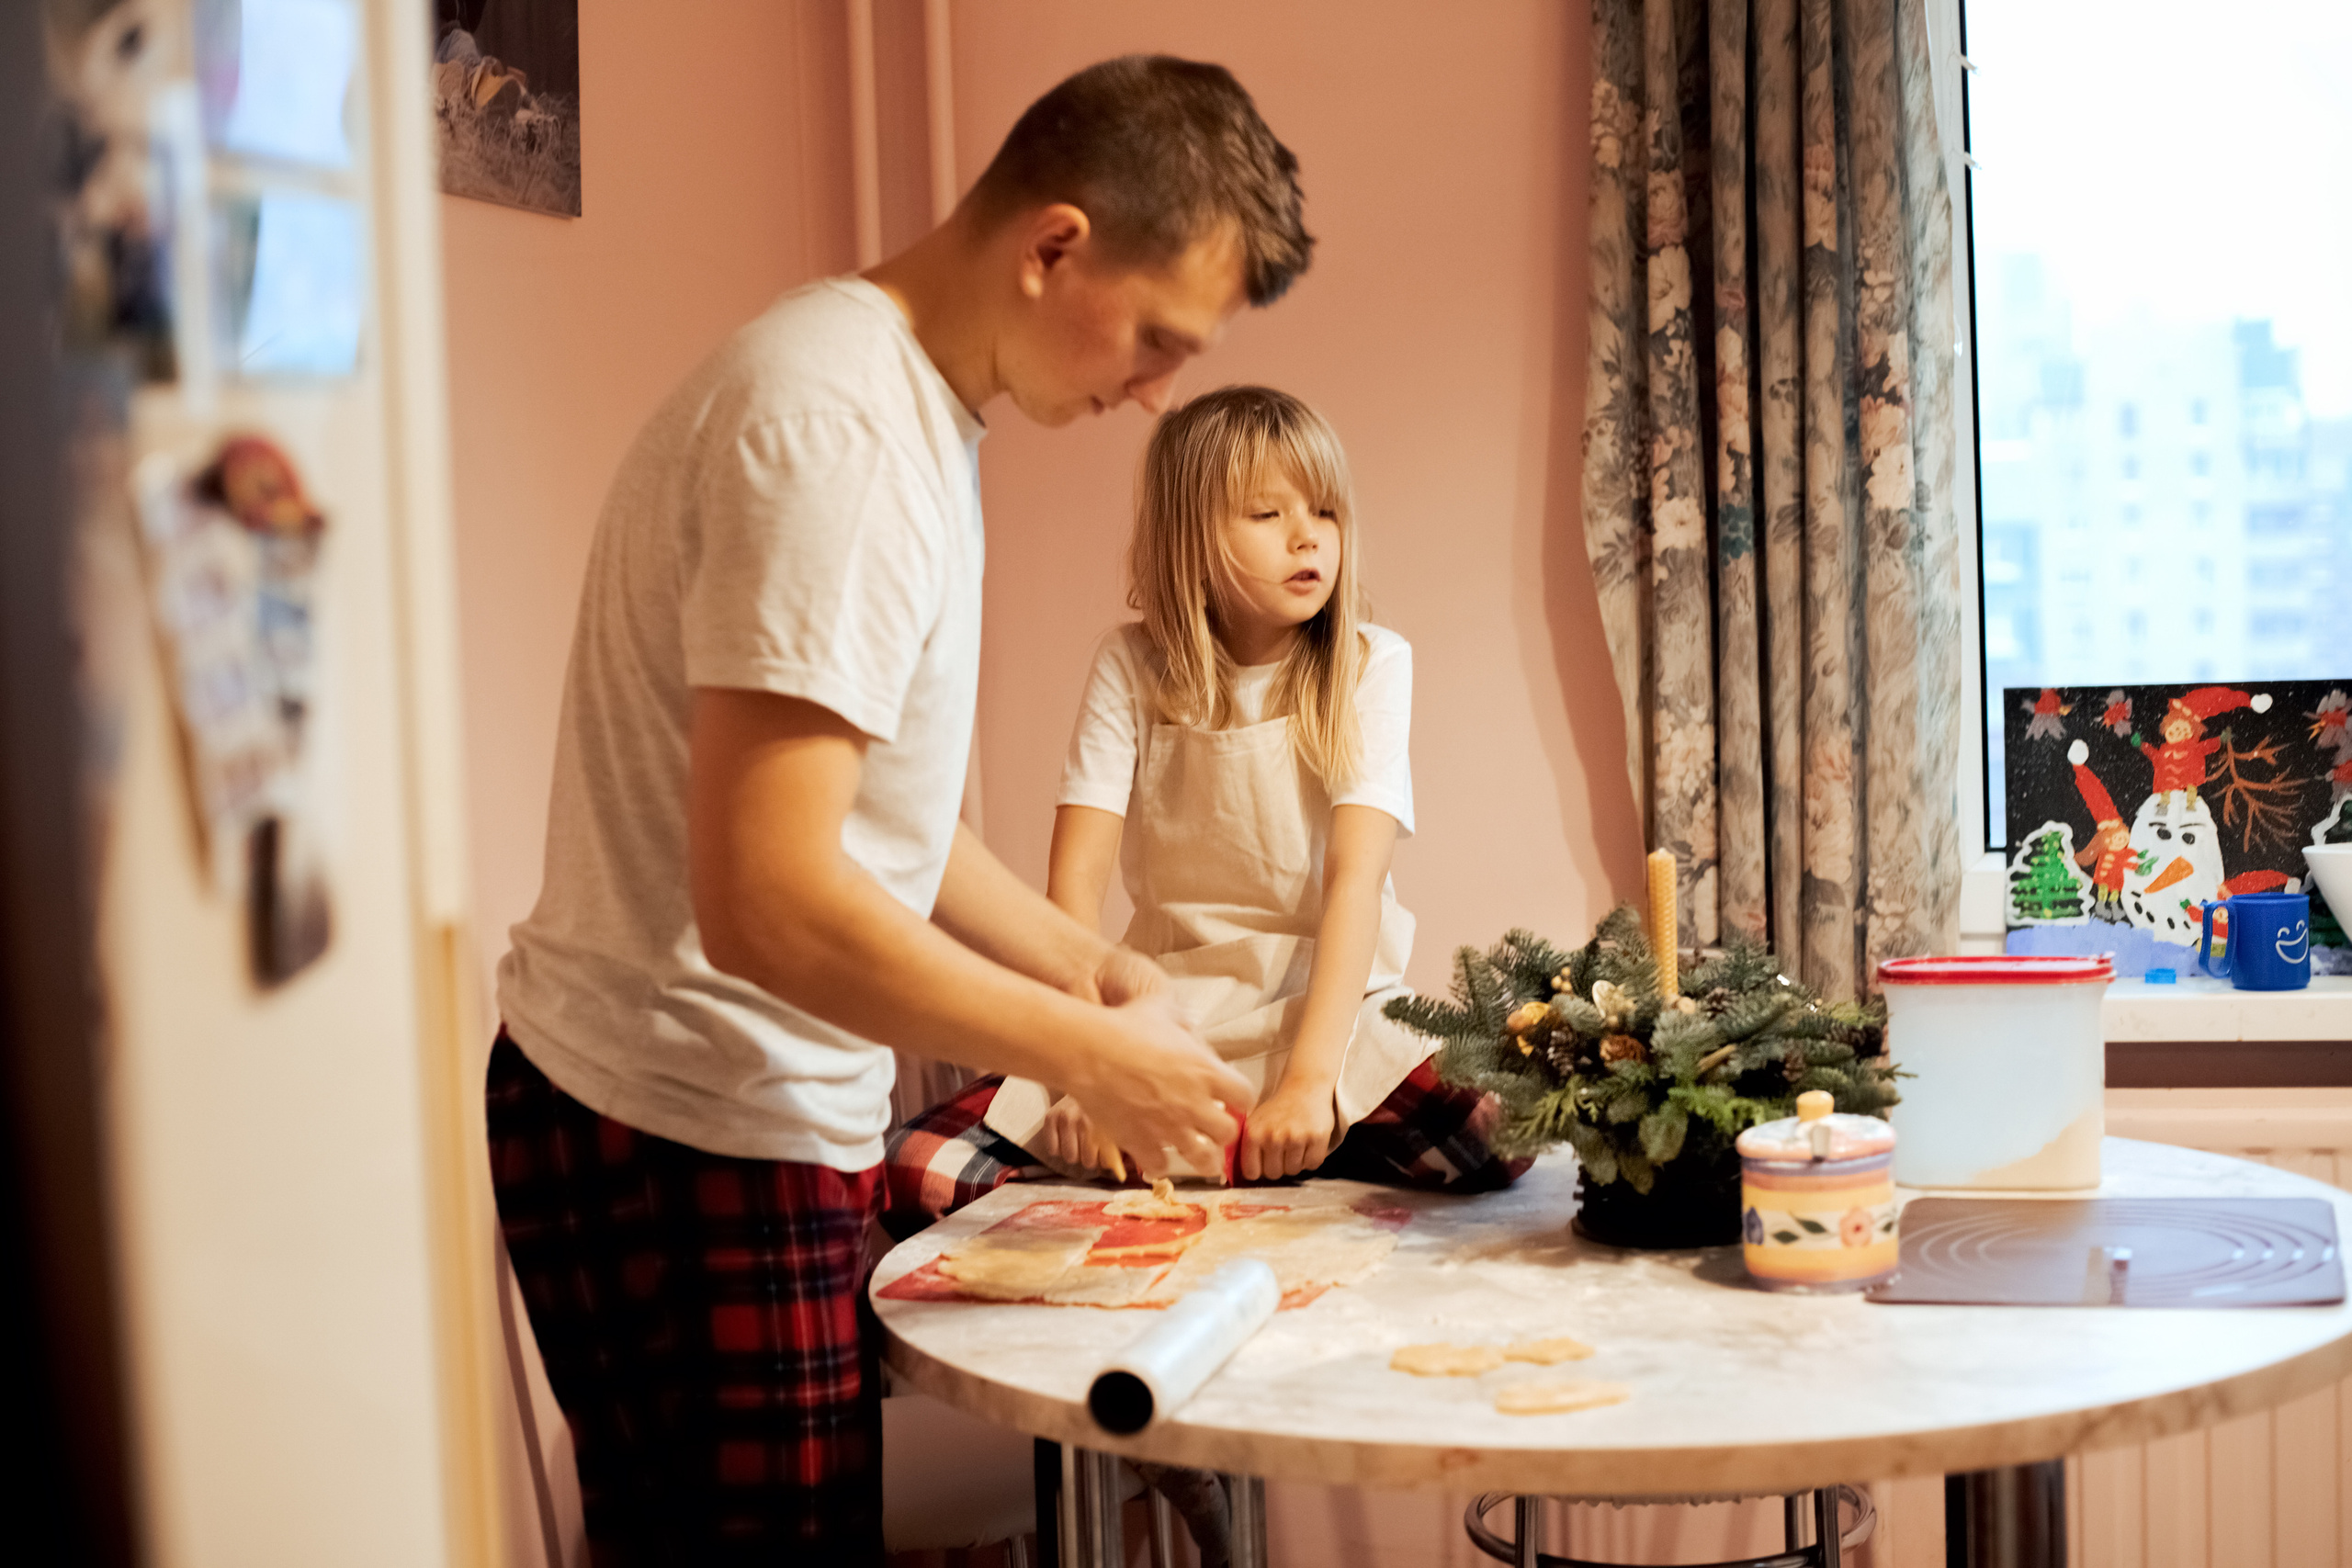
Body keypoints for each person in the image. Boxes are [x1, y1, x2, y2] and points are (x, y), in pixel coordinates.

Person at [485, 58, 1310, 1564]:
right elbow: (769, 898)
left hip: (696, 1100)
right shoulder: (844, 434)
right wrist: (1085, 1054)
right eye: (1155, 339)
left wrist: (1088, 967)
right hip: (679, 1107)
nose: (1152, 392)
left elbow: (878, 818)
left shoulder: (901, 407)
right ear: (1054, 246)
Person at [886, 386, 1527, 1235]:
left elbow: (1354, 881)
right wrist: (1086, 1071)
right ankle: (1237, 1141)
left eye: (1325, 511)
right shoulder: (1129, 665)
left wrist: (1309, 1084)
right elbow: (1072, 888)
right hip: (1168, 1011)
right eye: (1267, 513)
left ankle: (1265, 1136)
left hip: (1326, 1008)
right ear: (1190, 539)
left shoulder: (1372, 661)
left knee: (1498, 1130)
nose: (1308, 536)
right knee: (920, 1169)